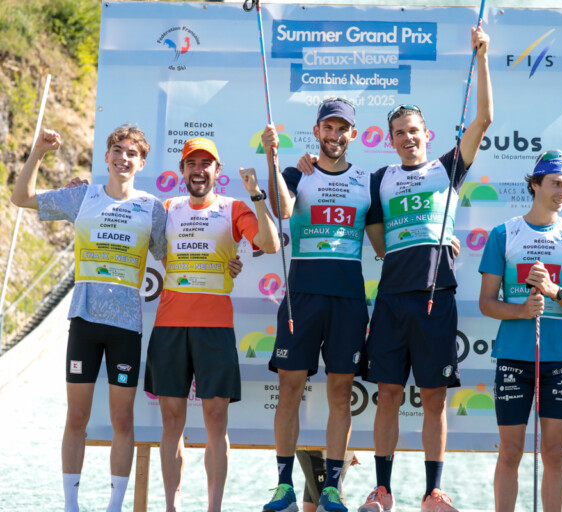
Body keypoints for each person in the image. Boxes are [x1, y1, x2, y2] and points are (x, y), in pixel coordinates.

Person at [358, 26, 492, 512]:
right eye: (399, 134)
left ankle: (433, 492)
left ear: (426, 135)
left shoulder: (446, 168)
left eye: (414, 131)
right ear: (390, 141)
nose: (408, 138)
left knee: (434, 398)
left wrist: (481, 56)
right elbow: (376, 239)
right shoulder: (379, 179)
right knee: (389, 394)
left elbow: (483, 119)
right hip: (393, 298)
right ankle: (382, 490)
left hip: (438, 296)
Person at [10, 125, 167, 512]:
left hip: (127, 327)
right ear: (107, 156)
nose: (124, 157)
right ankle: (71, 505)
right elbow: (21, 197)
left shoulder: (153, 207)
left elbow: (173, 259)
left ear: (142, 162)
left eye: (132, 153)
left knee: (122, 419)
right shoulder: (83, 195)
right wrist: (39, 153)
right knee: (76, 415)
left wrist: (224, 265)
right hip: (84, 320)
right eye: (118, 150)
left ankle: (115, 505)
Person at [259, 98, 385, 512]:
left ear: (353, 133)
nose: (334, 135)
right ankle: (283, 486)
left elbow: (384, 246)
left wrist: (441, 243)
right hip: (302, 296)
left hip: (348, 299)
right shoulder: (298, 173)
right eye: (327, 128)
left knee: (340, 390)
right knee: (289, 389)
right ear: (317, 131)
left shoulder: (367, 181)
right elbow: (280, 208)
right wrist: (273, 161)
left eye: (342, 128)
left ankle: (331, 486)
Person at [143, 137, 280, 512]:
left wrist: (256, 195)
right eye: (192, 163)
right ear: (182, 170)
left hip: (215, 328)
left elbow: (269, 244)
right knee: (172, 421)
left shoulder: (234, 207)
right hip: (169, 326)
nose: (198, 170)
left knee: (215, 419)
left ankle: (213, 508)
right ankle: (172, 506)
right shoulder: (166, 208)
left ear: (217, 172)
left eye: (206, 164)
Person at [477, 150, 562, 511]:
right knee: (511, 451)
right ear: (534, 184)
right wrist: (520, 310)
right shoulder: (504, 234)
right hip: (514, 356)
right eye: (555, 183)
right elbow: (486, 302)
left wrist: (554, 291)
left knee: (553, 452)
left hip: (559, 359)